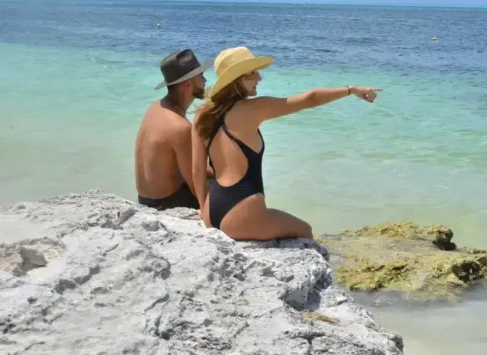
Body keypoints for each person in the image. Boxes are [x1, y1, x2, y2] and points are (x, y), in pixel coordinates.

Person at [191, 46, 381, 240]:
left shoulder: (203, 114)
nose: (259, 78)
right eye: (253, 73)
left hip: (212, 209)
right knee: (305, 230)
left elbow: (197, 170)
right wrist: (351, 90)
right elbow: (309, 99)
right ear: (238, 79)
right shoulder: (255, 108)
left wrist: (205, 210)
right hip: (242, 215)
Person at [135, 48, 214, 210]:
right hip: (167, 204)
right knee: (233, 190)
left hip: (144, 200)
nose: (205, 80)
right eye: (201, 76)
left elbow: (185, 166)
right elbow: (197, 187)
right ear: (187, 83)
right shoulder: (180, 128)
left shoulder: (155, 108)